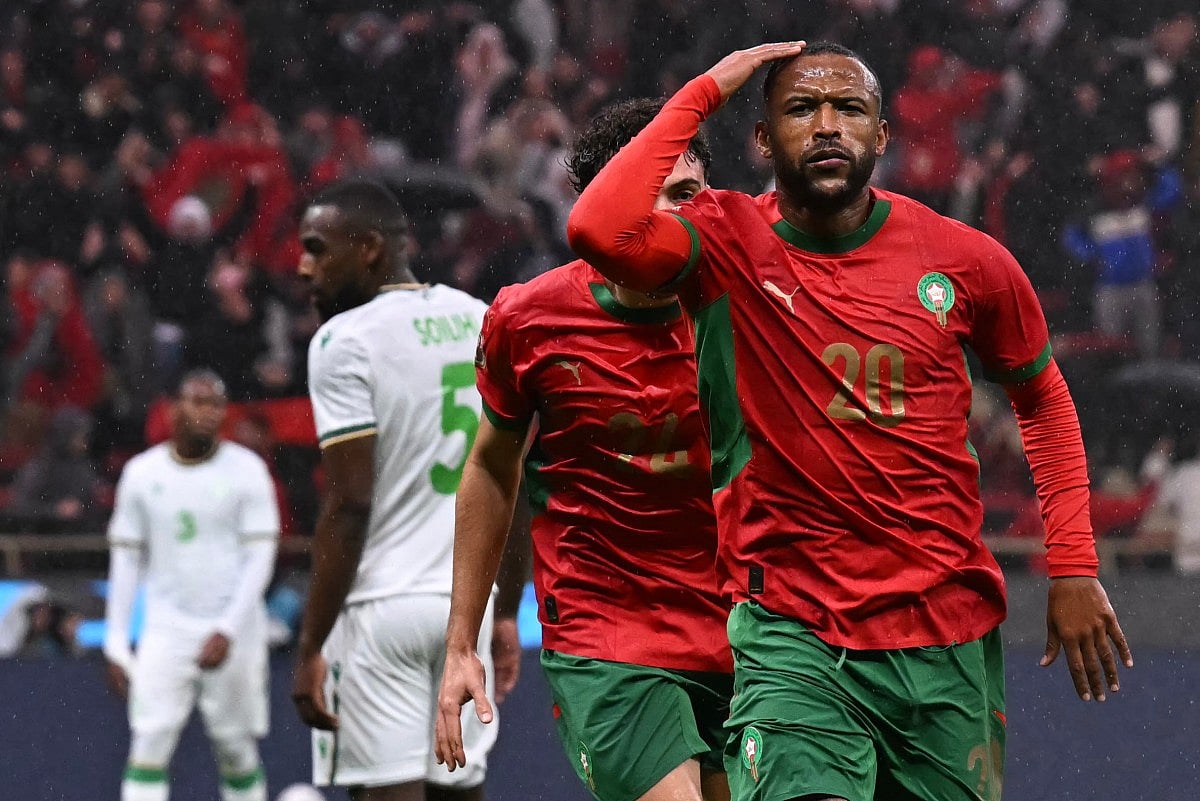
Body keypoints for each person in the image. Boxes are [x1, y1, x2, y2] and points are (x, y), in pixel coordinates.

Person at [567, 41, 1133, 801]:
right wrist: (709, 87)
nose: (827, 126)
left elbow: (1044, 400)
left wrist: (1072, 563)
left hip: (944, 634)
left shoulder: (966, 261)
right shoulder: (719, 239)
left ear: (882, 135)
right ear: (762, 140)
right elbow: (598, 229)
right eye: (801, 109)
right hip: (791, 634)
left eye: (849, 109)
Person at [434, 99, 733, 801]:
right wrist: (463, 639)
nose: (671, 218)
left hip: (748, 629)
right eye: (647, 196)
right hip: (609, 635)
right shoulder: (530, 317)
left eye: (688, 194)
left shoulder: (749, 304)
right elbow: (489, 467)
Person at [290, 180, 524, 801]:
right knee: (458, 790)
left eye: (317, 247)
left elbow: (350, 504)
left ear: (368, 248)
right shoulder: (483, 318)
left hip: (379, 607)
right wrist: (504, 612)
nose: (302, 265)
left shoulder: (343, 342)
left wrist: (311, 643)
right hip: (464, 605)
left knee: (385, 793)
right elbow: (515, 480)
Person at [104, 368, 280, 801]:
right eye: (197, 401)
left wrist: (229, 627)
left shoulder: (248, 471)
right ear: (173, 408)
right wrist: (115, 640)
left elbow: (261, 556)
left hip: (234, 629)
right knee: (148, 744)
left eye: (216, 403)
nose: (207, 412)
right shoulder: (142, 475)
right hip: (166, 628)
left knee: (235, 748)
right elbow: (126, 558)